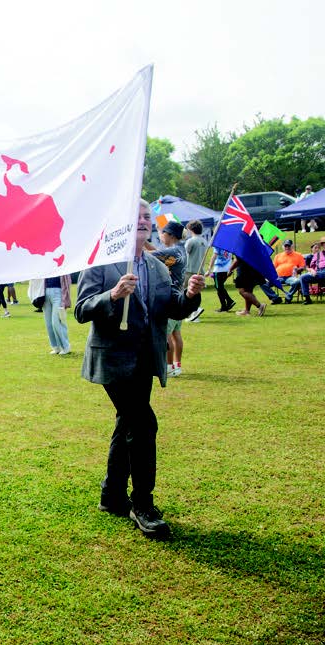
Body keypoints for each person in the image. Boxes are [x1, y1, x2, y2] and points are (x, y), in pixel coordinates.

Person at [74, 199, 204, 537]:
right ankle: (142, 504)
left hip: (146, 360)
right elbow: (82, 309)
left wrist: (190, 296)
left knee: (128, 422)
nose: (144, 221)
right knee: (144, 424)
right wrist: (113, 295)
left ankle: (112, 495)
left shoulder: (159, 266)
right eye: (138, 216)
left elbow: (173, 306)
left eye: (148, 216)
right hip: (113, 359)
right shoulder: (101, 262)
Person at [149, 221, 188, 375]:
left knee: (165, 335)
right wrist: (144, 242)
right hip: (179, 298)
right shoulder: (179, 250)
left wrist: (139, 244)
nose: (160, 236)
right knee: (176, 334)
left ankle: (168, 366)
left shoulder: (174, 252)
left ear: (170, 235)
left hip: (171, 300)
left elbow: (150, 256)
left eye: (162, 233)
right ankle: (177, 366)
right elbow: (159, 253)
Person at [182, 220, 207, 322]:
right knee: (196, 292)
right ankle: (193, 312)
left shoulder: (191, 241)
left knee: (186, 292)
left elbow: (185, 253)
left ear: (191, 229)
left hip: (190, 269)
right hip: (200, 270)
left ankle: (194, 311)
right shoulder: (204, 241)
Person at [42, 274, 71, 355]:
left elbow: (67, 281)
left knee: (56, 322)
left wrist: (65, 300)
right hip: (45, 292)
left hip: (58, 292)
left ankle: (65, 346)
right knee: (48, 324)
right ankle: (55, 347)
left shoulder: (62, 263)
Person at [208, 247, 236, 312]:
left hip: (219, 270)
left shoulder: (217, 245)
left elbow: (214, 256)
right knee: (220, 287)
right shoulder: (228, 244)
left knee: (219, 288)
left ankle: (227, 303)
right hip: (226, 270)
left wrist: (209, 269)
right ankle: (227, 304)